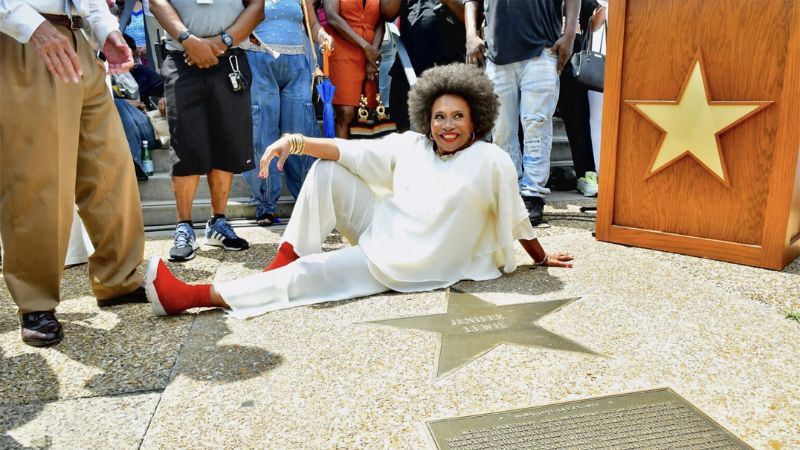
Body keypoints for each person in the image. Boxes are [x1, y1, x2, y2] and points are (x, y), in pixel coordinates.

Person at [143, 63, 574, 319]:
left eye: (458, 117)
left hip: (412, 262)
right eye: (440, 116)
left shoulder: (491, 160)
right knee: (329, 171)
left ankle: (192, 297)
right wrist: (295, 141)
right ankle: (283, 259)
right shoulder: (412, 144)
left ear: (475, 119)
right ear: (428, 116)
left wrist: (540, 257)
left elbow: (516, 217)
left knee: (313, 279)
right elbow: (349, 151)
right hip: (384, 231)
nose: (447, 125)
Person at [0, 1, 148, 346]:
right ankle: (35, 301)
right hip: (25, 40)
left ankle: (119, 278)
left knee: (110, 167)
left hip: (78, 37)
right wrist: (32, 27)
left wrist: (107, 30)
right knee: (38, 178)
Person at [149, 0, 264, 262]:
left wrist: (221, 42)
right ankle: (184, 226)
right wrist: (189, 40)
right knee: (186, 142)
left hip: (230, 57)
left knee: (227, 139)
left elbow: (257, 7)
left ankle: (218, 222)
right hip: (182, 56)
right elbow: (157, 3)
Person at [465, 0, 578, 225]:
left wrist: (570, 35)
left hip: (542, 50)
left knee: (536, 125)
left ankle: (532, 195)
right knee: (502, 130)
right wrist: (470, 34)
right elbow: (471, 2)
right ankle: (509, 191)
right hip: (497, 54)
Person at [243, 0, 334, 226]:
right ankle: (266, 204)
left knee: (299, 129)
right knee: (263, 128)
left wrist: (323, 36)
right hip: (259, 59)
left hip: (298, 65)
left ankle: (306, 200)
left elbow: (312, 25)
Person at [382, 0, 467, 132]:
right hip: (408, 70)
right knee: (403, 131)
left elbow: (472, 16)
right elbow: (387, 13)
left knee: (447, 130)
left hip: (447, 76)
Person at [559, 0, 605, 197]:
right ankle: (524, 175)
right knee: (530, 119)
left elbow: (594, 24)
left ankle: (586, 174)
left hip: (573, 66)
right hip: (537, 59)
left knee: (578, 120)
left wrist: (603, 6)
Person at [323, 0, 384, 138]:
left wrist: (373, 52)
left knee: (364, 112)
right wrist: (365, 47)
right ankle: (339, 157)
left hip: (371, 51)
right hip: (342, 48)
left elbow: (382, 20)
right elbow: (331, 16)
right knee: (345, 112)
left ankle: (358, 158)